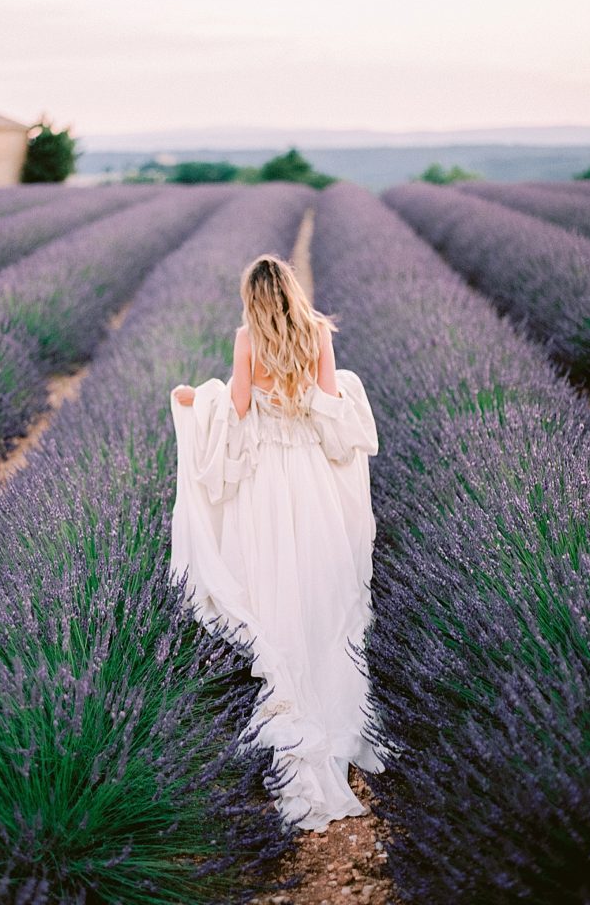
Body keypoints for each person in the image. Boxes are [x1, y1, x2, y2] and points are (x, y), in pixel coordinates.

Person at [169, 253, 394, 833]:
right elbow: (329, 408)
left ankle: (289, 688)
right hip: (310, 477)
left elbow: (238, 410)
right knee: (321, 580)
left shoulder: (247, 338)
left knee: (272, 581)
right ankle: (330, 685)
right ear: (291, 289)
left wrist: (200, 400)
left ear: (252, 298)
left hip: (268, 480)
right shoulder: (317, 333)